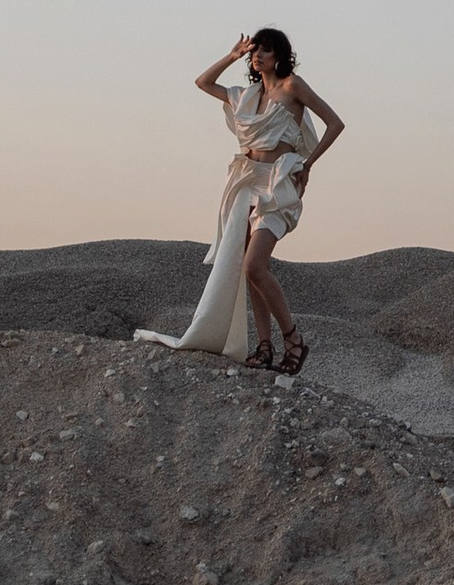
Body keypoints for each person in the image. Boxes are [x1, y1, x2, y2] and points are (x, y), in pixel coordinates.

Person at [135, 28, 344, 372]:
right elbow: (203, 82)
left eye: (265, 50)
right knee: (250, 271)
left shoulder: (293, 87)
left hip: (276, 184)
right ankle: (264, 346)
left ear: (279, 56)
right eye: (254, 51)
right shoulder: (247, 95)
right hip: (245, 182)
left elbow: (335, 124)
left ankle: (293, 340)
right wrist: (232, 55)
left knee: (254, 265)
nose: (257, 55)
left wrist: (308, 163)